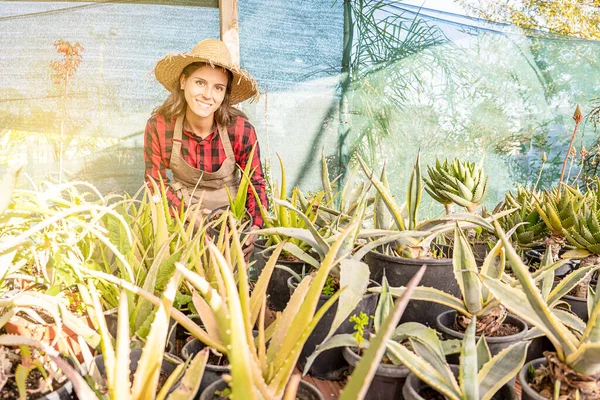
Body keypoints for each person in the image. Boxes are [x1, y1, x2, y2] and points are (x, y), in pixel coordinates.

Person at [144, 38, 267, 257]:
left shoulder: (240, 130)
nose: (208, 95)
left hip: (231, 217)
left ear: (225, 93)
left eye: (218, 88)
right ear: (183, 81)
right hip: (182, 213)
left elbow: (255, 183)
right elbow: (156, 184)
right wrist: (190, 217)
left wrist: (255, 227)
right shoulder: (160, 126)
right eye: (200, 83)